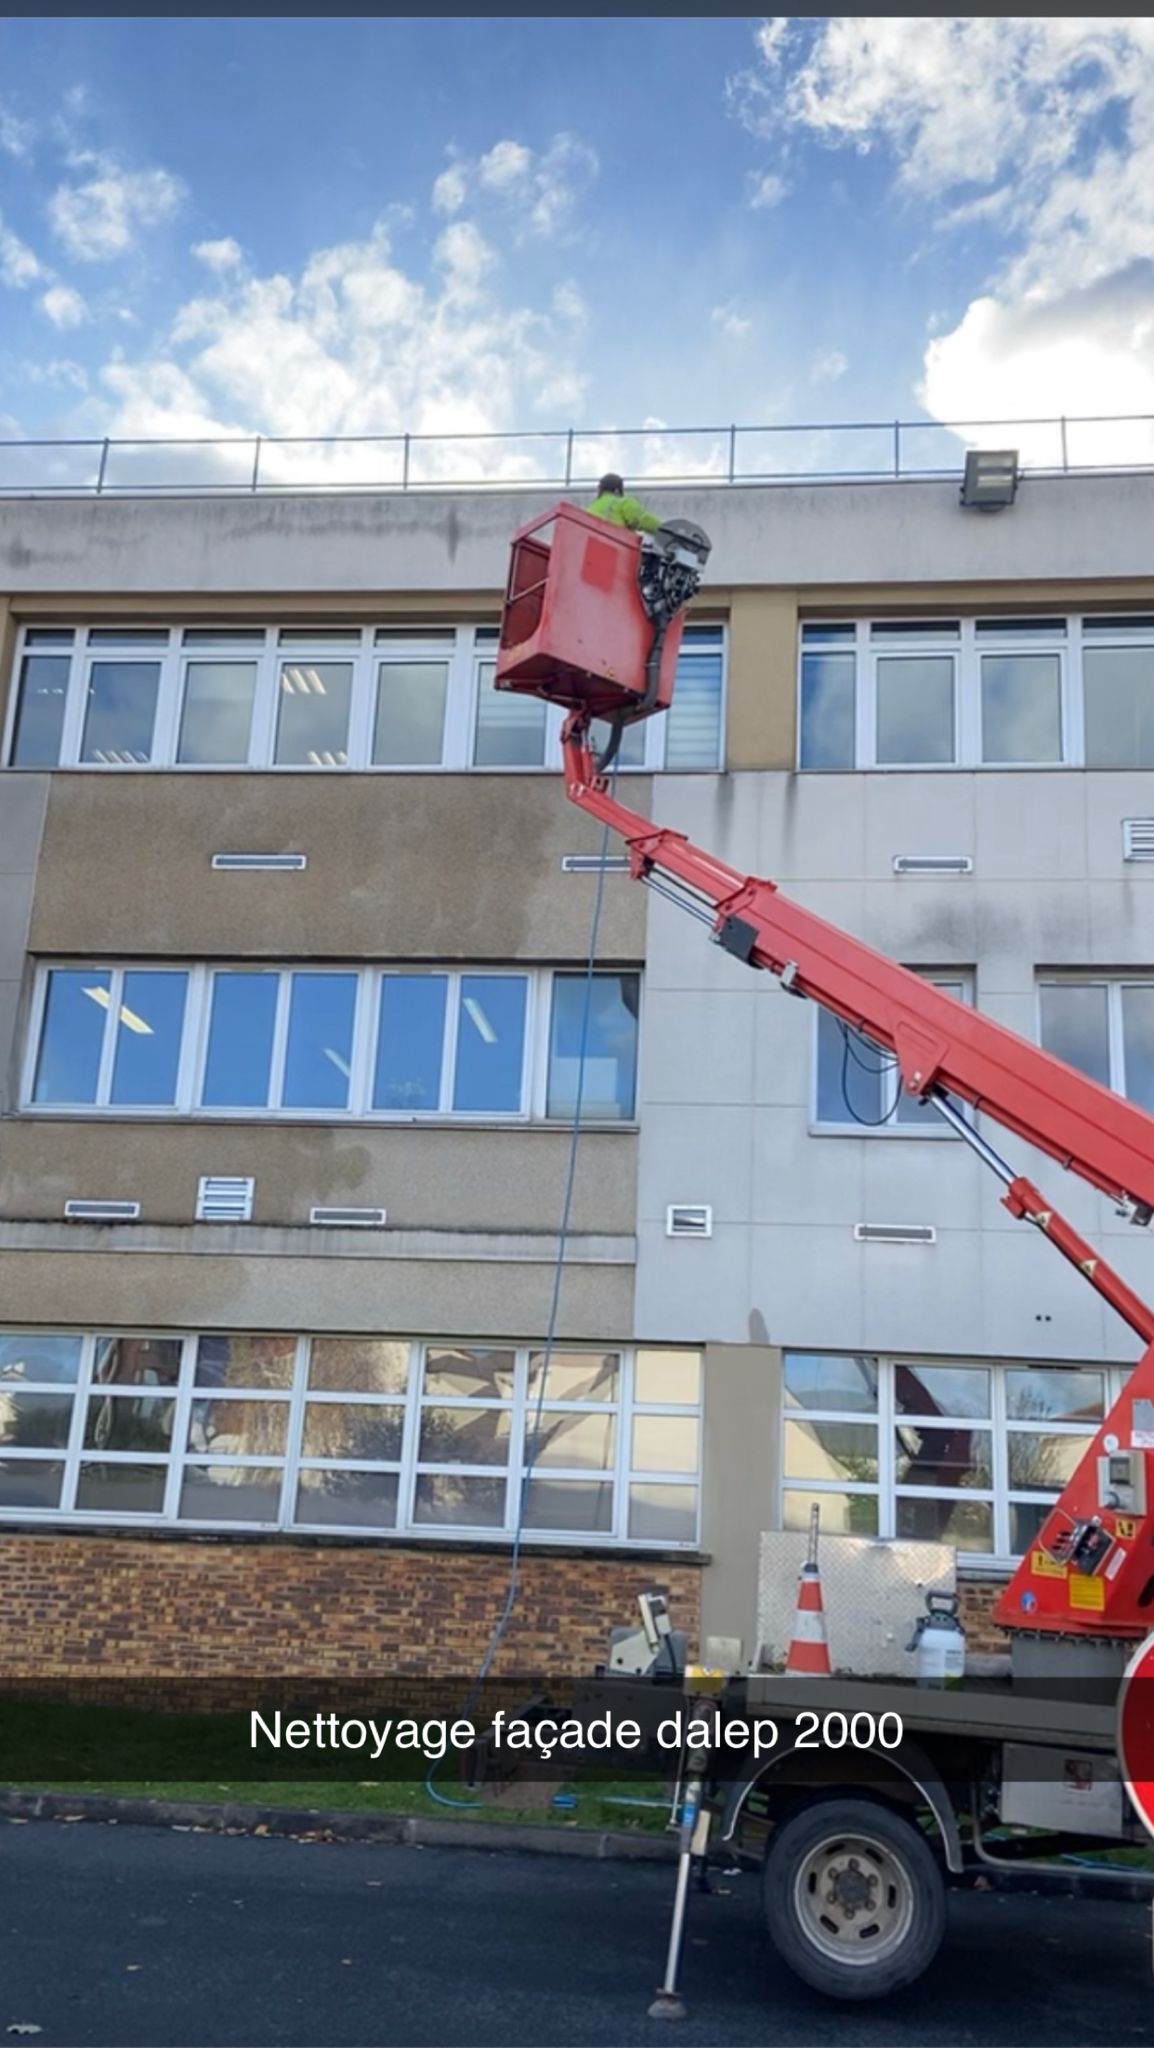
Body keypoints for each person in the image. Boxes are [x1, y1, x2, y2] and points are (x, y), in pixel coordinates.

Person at [587, 472, 664, 534]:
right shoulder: (622, 502)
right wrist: (665, 530)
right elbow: (642, 519)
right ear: (617, 491)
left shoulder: (590, 508)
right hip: (616, 546)